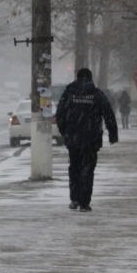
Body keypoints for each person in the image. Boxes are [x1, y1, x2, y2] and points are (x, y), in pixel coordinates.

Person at [56, 68, 119, 212]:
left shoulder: (69, 93)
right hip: (91, 140)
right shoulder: (96, 94)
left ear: (77, 78)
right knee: (88, 170)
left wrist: (65, 132)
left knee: (74, 169)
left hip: (73, 140)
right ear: (90, 78)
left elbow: (60, 114)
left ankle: (75, 199)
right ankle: (84, 203)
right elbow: (108, 114)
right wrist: (112, 134)